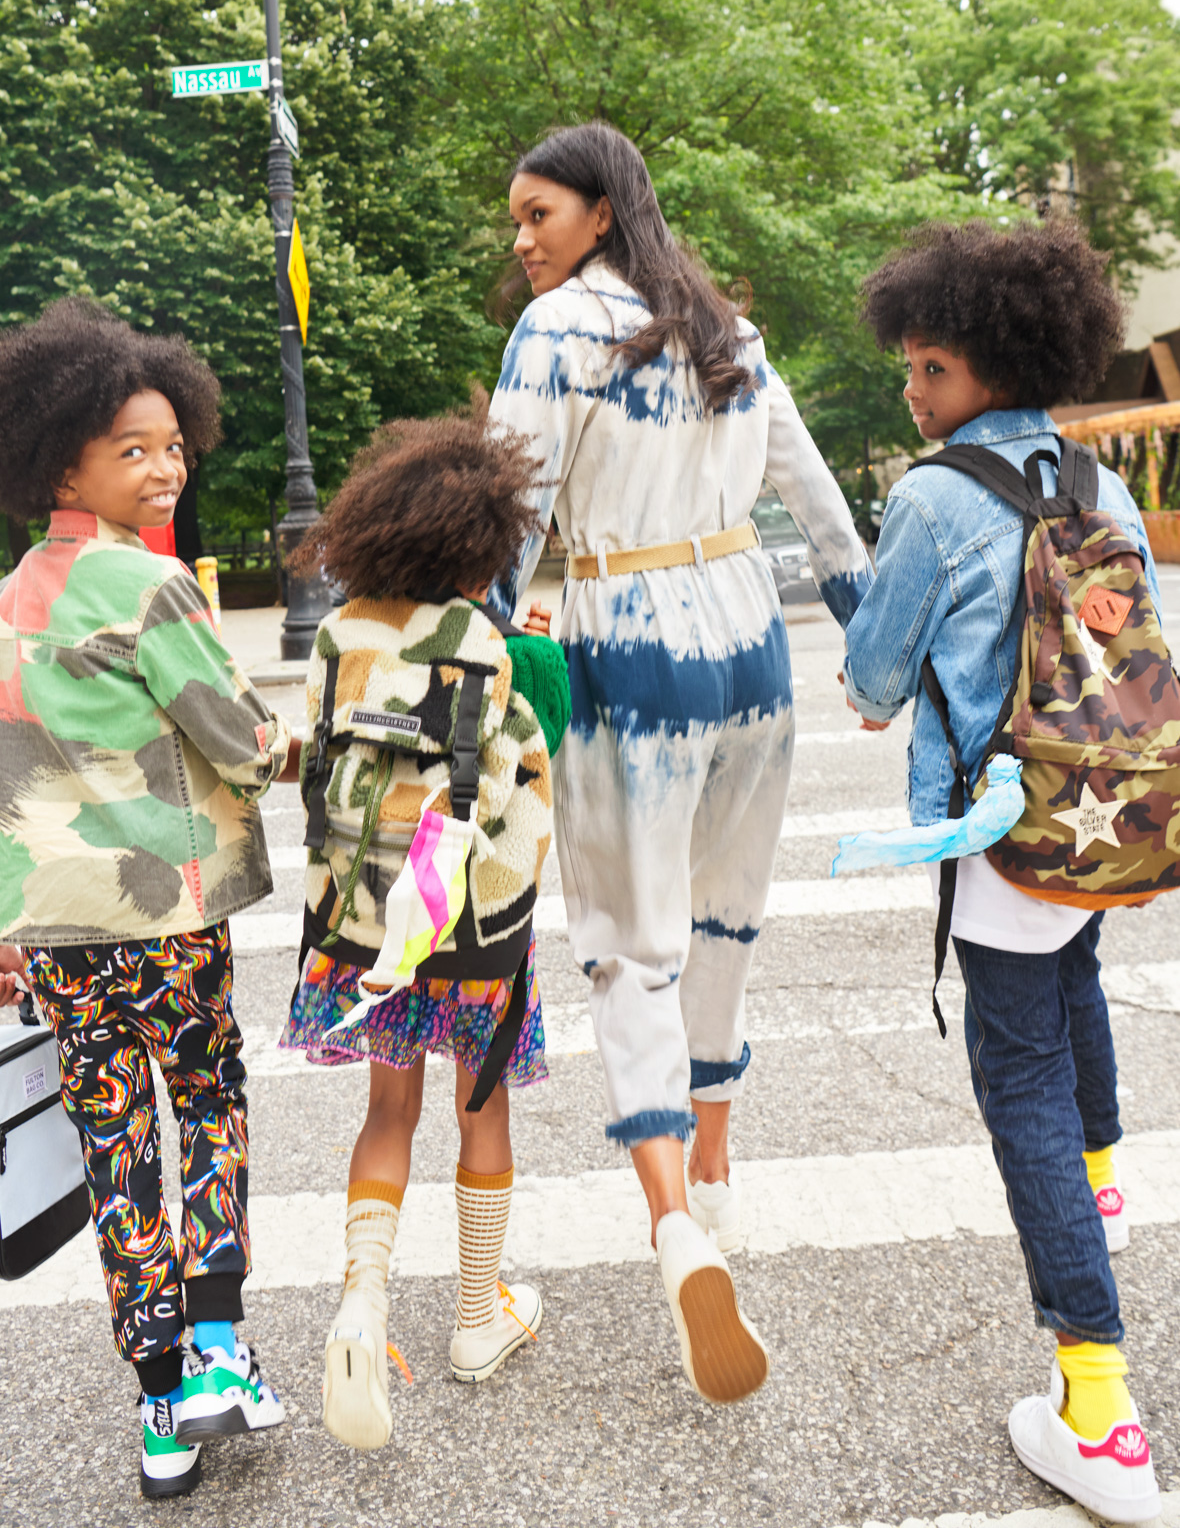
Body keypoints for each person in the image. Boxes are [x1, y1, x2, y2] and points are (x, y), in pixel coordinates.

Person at [488, 121, 873, 1404]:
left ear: (601, 211)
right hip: (751, 651)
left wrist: (471, 641)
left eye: (537, 213)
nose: (522, 239)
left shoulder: (552, 336)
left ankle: (669, 1224)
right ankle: (716, 1175)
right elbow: (812, 491)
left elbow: (508, 516)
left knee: (622, 941)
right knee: (722, 929)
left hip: (629, 649)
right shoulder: (725, 331)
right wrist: (865, 629)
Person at [842, 219, 1161, 1525]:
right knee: (1073, 982)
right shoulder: (1102, 479)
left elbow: (870, 678)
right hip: (1107, 815)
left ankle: (1098, 1407)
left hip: (997, 826)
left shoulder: (930, 496)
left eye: (928, 369)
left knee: (1015, 1061)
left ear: (987, 362)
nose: (913, 394)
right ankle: (1105, 1183)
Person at [0, 298, 297, 1501]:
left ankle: (158, 1410)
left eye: (171, 444)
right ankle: (215, 1345)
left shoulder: (1, 610)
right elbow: (241, 738)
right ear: (67, 461)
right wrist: (289, 743)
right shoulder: (147, 590)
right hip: (162, 918)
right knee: (204, 1098)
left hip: (53, 935)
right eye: (134, 449)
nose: (165, 467)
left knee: (113, 1143)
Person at [278, 396, 570, 1450]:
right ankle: (476, 1316)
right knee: (478, 1107)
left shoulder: (342, 629)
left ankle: (361, 1302)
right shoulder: (483, 639)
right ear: (479, 544)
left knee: (386, 1111)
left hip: (361, 922)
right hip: (469, 925)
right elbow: (536, 769)